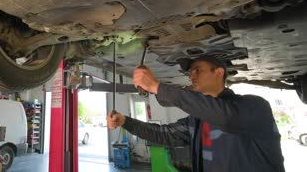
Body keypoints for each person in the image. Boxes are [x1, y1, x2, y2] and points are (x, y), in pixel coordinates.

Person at [107, 55, 284, 172]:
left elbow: (227, 117)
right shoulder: (197, 121)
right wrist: (125, 121)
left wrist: (156, 87)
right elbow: (163, 134)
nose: (191, 75)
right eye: (190, 72)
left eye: (197, 69)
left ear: (219, 72)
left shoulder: (254, 106)